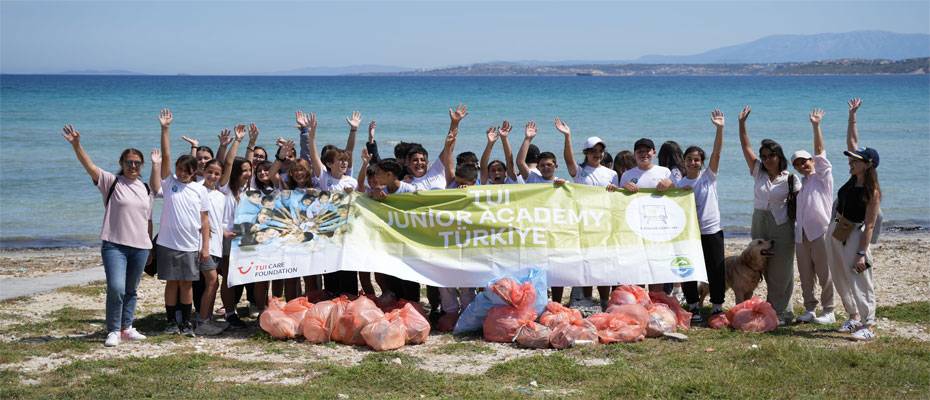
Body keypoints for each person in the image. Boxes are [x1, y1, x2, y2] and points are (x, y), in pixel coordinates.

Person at [62, 124, 155, 347]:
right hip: (114, 245)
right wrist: (77, 145)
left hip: (141, 246)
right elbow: (89, 165)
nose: (133, 166)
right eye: (128, 162)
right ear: (121, 164)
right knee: (116, 287)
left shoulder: (146, 188)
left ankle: (127, 327)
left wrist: (150, 246)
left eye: (137, 163)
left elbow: (148, 220)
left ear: (142, 165)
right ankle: (113, 329)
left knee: (132, 289)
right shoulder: (110, 182)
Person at [737, 105, 800, 325]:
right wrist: (742, 124)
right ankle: (779, 309)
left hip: (781, 225)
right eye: (764, 156)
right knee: (760, 266)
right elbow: (746, 147)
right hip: (759, 222)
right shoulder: (758, 172)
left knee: (781, 270)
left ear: (779, 155)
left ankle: (779, 312)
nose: (767, 159)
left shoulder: (791, 178)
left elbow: (803, 201)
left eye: (771, 155)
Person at [828, 98, 881, 341]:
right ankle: (853, 317)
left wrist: (862, 253)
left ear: (868, 165)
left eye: (855, 160)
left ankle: (869, 325)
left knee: (860, 279)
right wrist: (852, 116)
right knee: (839, 276)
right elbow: (852, 142)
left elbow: (870, 224)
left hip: (856, 236)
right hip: (838, 230)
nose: (850, 162)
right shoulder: (853, 179)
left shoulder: (872, 191)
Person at [155, 108, 211, 337]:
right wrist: (165, 129)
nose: (182, 173)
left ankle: (186, 322)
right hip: (168, 243)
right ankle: (171, 321)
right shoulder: (169, 183)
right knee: (171, 283)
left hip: (190, 245)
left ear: (194, 171)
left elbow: (205, 221)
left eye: (187, 171)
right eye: (179, 169)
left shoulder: (200, 189)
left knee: (186, 284)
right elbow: (166, 157)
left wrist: (205, 247)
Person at [559, 117, 619, 310]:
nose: (598, 154)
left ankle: (603, 300)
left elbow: (617, 199)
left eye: (600, 151)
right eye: (593, 151)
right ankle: (585, 299)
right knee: (585, 262)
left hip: (603, 224)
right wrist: (567, 136)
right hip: (582, 223)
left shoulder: (611, 174)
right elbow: (568, 159)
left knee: (603, 263)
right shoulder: (579, 172)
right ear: (586, 153)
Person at [301, 110, 359, 296]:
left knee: (348, 269)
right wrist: (311, 135)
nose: (343, 163)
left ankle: (349, 299)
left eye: (345, 161)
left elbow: (349, 152)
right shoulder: (325, 178)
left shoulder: (351, 181)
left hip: (347, 232)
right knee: (331, 270)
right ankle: (332, 298)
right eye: (339, 161)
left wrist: (353, 130)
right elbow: (313, 154)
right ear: (329, 164)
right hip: (327, 231)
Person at [677, 109, 726, 323]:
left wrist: (720, 129)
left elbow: (717, 153)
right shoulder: (678, 185)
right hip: (689, 233)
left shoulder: (709, 178)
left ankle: (717, 306)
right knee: (688, 268)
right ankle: (694, 306)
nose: (693, 162)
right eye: (690, 159)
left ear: (701, 162)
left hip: (711, 230)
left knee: (716, 268)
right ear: (684, 161)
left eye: (697, 160)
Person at [791, 108, 836, 325]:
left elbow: (820, 151)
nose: (802, 165)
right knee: (806, 275)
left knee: (824, 273)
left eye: (805, 161)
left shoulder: (822, 178)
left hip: (820, 232)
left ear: (812, 160)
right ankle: (809, 309)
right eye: (798, 163)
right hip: (801, 235)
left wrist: (816, 126)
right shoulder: (803, 184)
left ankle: (829, 310)